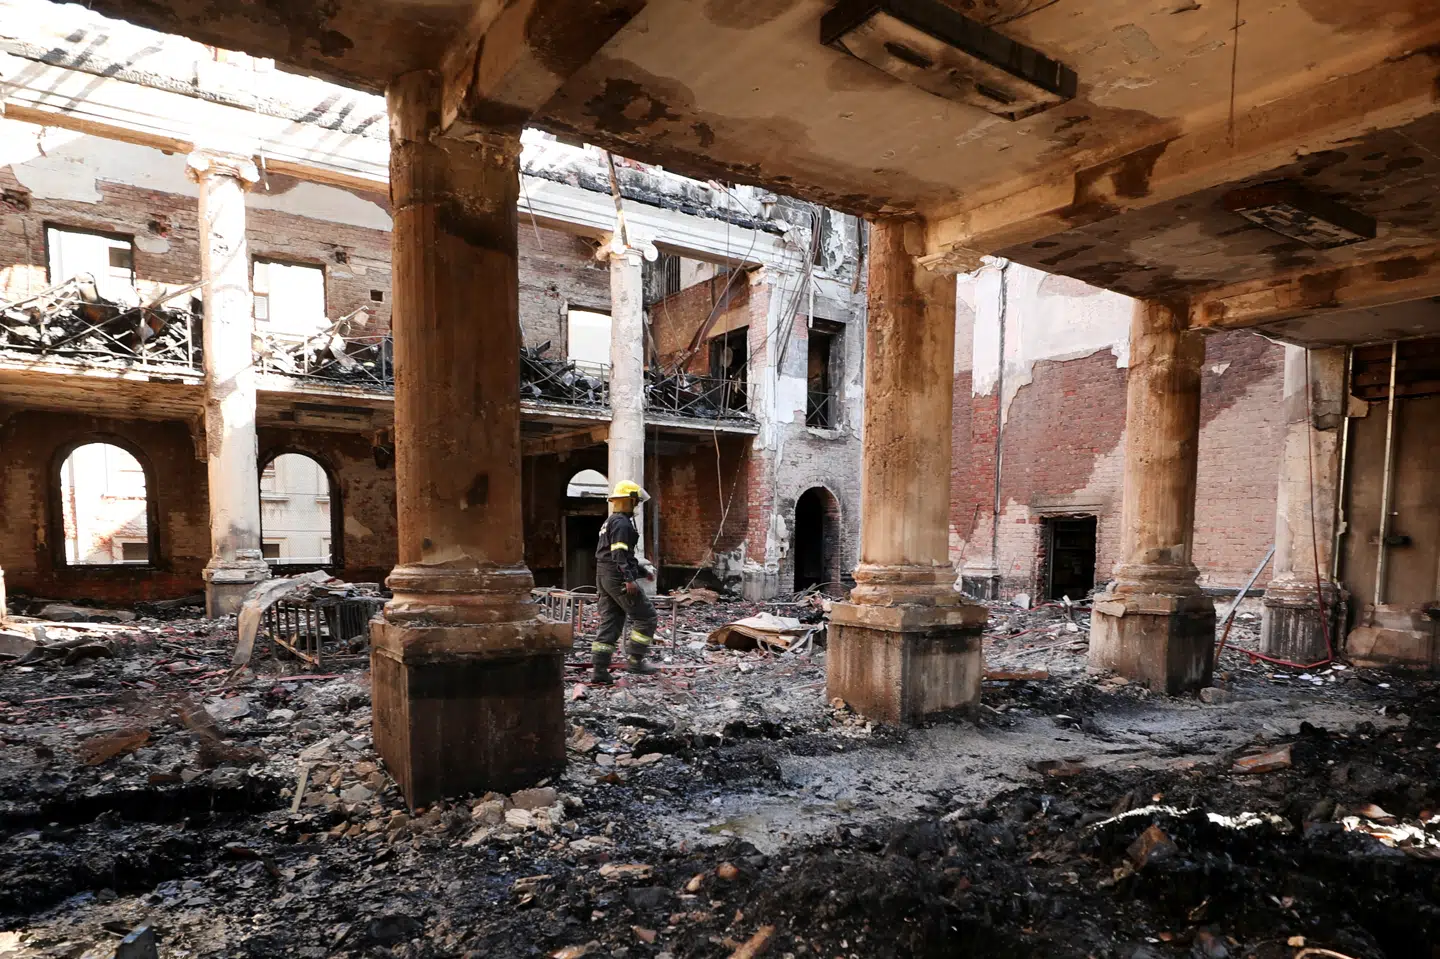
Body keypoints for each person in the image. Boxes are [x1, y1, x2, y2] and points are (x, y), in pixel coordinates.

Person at [591, 480, 659, 685]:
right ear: (628, 501)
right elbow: (619, 554)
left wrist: (641, 571)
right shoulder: (621, 522)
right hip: (616, 577)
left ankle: (600, 670)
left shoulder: (611, 521)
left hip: (604, 575)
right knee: (647, 617)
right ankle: (636, 660)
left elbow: (621, 556)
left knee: (611, 621)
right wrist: (630, 578)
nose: (637, 505)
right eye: (635, 501)